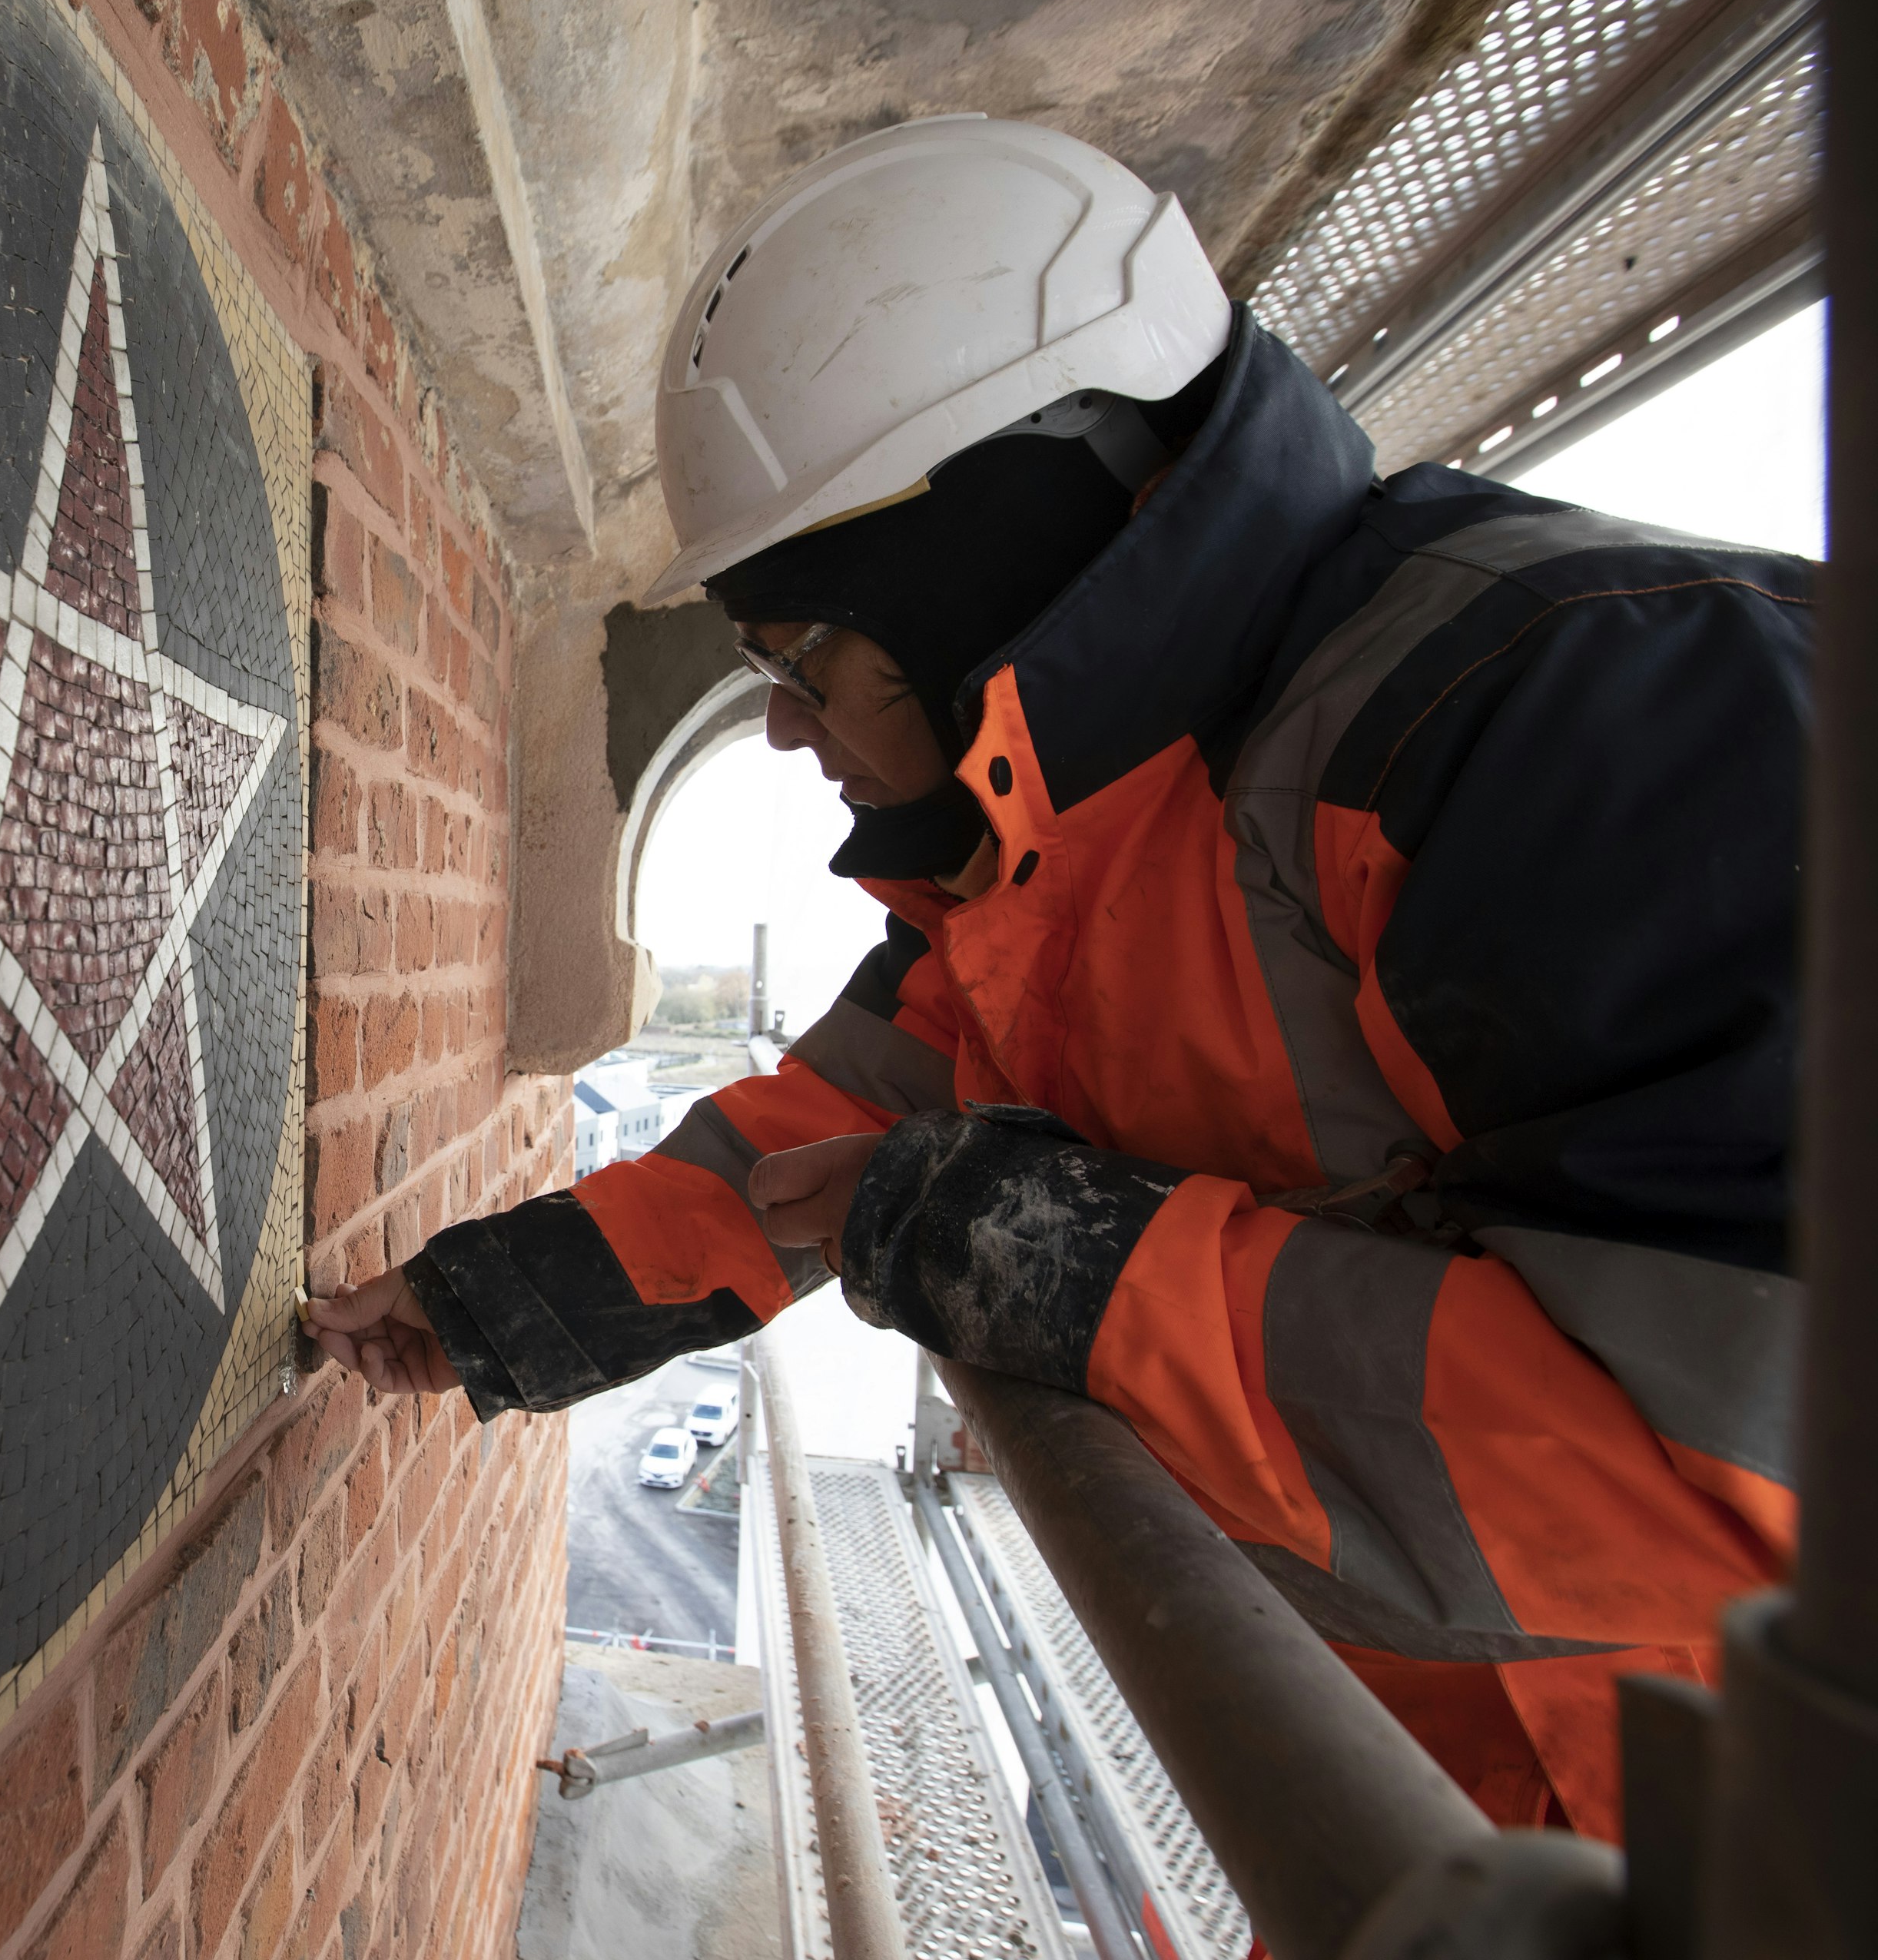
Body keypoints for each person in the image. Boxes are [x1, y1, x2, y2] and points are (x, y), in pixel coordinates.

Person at [309, 115, 1809, 1842]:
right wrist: (491, 1301)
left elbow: (1741, 1484)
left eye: (800, 656)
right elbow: (835, 1129)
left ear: (979, 571)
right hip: (1464, 1847)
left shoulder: (1596, 716)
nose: (785, 725)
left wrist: (1035, 1257)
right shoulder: (1061, 855)